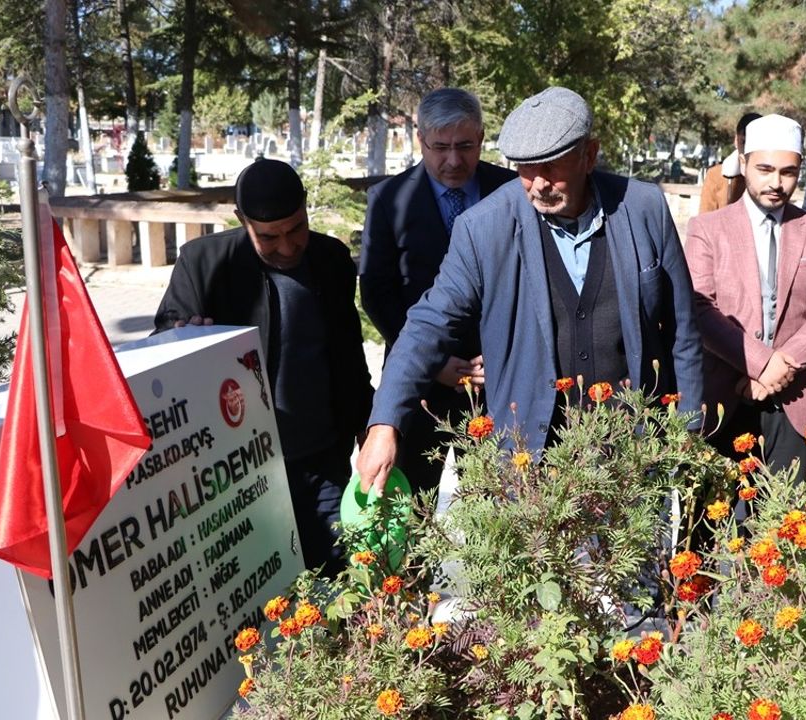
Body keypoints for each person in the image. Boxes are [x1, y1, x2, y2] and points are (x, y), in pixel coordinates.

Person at [356, 86, 703, 495]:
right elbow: (429, 322)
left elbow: (682, 329)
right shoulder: (485, 226)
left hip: (631, 448)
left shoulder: (644, 208)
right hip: (531, 454)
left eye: (551, 167)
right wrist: (385, 422)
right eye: (524, 168)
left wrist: (688, 430)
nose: (538, 184)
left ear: (588, 156)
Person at [153, 158, 373, 576]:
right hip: (243, 473)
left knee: (340, 572)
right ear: (242, 220)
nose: (288, 247)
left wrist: (368, 424)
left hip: (323, 458)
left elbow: (349, 355)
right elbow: (162, 348)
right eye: (269, 237)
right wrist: (184, 336)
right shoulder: (203, 264)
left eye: (297, 229)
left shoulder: (331, 258)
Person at [359, 88, 515, 495]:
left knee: (497, 505)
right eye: (440, 147)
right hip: (419, 387)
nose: (453, 160)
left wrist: (499, 353)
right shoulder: (389, 199)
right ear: (420, 140)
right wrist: (434, 361)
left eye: (465, 146)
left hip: (494, 383)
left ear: (482, 138)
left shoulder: (511, 191)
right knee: (410, 508)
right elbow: (376, 291)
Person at [685, 114, 806, 481]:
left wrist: (779, 368)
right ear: (743, 163)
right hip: (725, 396)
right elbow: (699, 308)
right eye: (765, 169)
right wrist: (759, 363)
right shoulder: (707, 230)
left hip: (797, 400)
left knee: (791, 525)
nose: (776, 183)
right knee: (717, 524)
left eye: (788, 172)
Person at [698, 112, 762, 213]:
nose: (749, 148)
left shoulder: (770, 177)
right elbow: (705, 215)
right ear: (736, 140)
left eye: (756, 143)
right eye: (744, 141)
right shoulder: (716, 174)